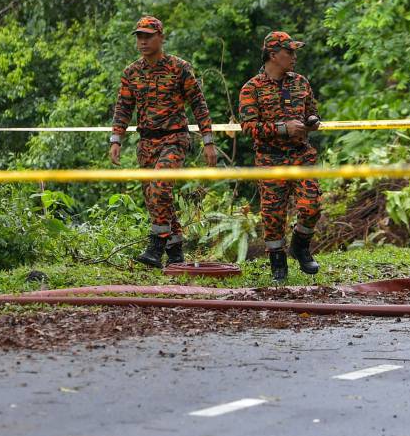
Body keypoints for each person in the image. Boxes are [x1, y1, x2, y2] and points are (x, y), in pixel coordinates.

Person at [109, 15, 217, 268]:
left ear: (161, 37)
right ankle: (175, 250)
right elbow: (123, 107)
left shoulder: (179, 68)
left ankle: (155, 248)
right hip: (146, 142)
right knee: (155, 199)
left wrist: (208, 142)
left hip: (174, 138)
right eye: (139, 36)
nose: (143, 41)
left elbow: (199, 104)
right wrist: (116, 139)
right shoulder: (131, 73)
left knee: (160, 188)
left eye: (148, 36)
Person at [238, 31, 322, 282]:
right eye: (290, 52)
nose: (294, 57)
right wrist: (283, 128)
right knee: (273, 216)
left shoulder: (301, 82)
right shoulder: (252, 88)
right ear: (273, 55)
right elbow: (248, 127)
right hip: (270, 159)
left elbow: (312, 111)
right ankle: (277, 263)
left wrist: (312, 121)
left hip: (301, 155)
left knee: (311, 206)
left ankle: (300, 246)